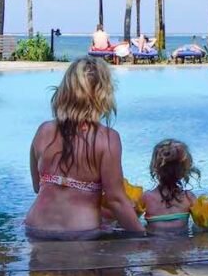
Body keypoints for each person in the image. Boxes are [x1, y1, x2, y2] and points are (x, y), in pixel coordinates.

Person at [25, 57, 145, 240]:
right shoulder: (107, 139)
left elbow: (37, 186)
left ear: (65, 90)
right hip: (80, 234)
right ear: (103, 95)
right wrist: (143, 238)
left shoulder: (44, 131)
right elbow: (116, 201)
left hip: (36, 228)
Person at [142, 139, 200, 233]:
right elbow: (204, 225)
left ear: (155, 168)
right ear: (184, 171)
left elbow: (128, 220)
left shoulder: (146, 198)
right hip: (184, 246)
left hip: (154, 246)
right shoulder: (189, 198)